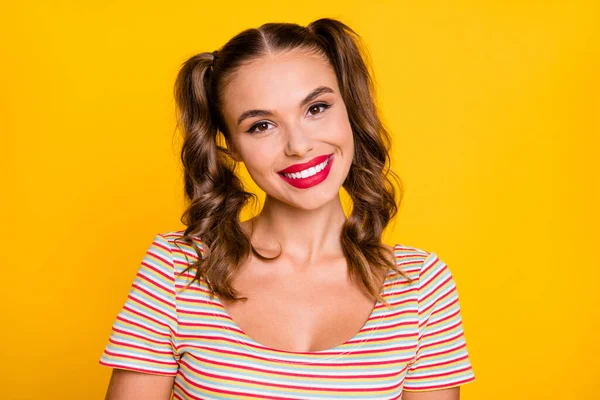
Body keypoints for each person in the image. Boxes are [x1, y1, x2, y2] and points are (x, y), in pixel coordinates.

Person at [99, 17, 476, 400]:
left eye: (316, 108)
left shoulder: (421, 286)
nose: (298, 145)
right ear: (229, 144)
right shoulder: (176, 270)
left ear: (350, 108)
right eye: (261, 125)